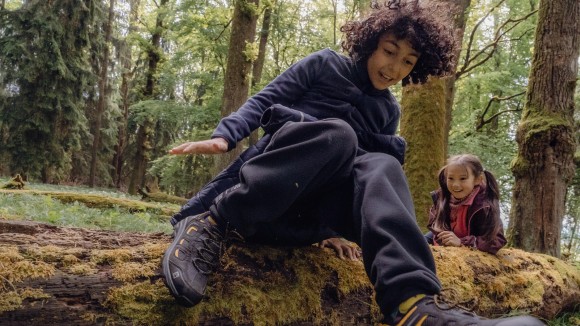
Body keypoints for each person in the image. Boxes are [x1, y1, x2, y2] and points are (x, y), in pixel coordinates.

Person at [161, 2, 545, 325]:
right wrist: (225, 135)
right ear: (370, 43)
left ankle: (413, 303)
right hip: (252, 205)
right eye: (390, 51)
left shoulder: (386, 111)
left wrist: (338, 232)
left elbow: (360, 183)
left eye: (408, 62)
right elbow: (266, 99)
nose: (394, 69)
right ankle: (211, 227)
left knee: (382, 163)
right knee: (340, 135)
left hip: (298, 225)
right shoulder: (324, 64)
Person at [425, 154, 507, 255]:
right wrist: (442, 235)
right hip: (444, 245)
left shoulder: (485, 206)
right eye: (450, 178)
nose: (455, 184)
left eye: (462, 179)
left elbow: (497, 240)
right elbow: (434, 225)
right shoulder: (442, 197)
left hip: (470, 247)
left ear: (478, 179)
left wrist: (461, 242)